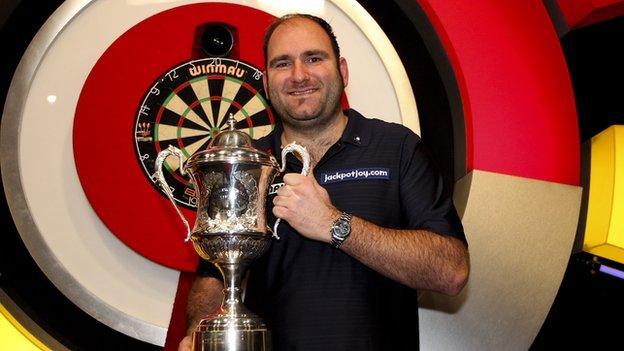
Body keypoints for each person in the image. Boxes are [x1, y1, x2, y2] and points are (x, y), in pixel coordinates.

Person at [179, 13, 469, 351]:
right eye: (282, 64)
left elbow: (451, 271)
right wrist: (198, 332)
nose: (299, 75)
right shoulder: (249, 167)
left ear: (342, 71)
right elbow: (215, 276)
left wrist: (334, 224)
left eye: (314, 58)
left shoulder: (397, 148)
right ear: (266, 82)